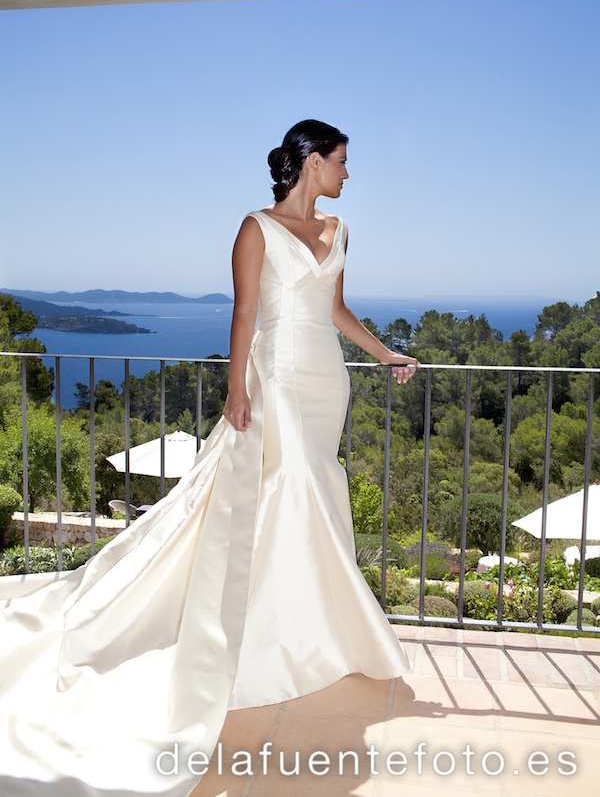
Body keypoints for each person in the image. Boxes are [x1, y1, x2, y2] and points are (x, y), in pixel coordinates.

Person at [0, 120, 419, 797]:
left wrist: (385, 354)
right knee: (284, 494)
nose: (347, 174)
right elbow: (246, 312)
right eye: (341, 162)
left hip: (325, 382)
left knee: (310, 492)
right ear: (311, 161)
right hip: (275, 379)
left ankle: (304, 630)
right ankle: (264, 639)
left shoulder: (339, 231)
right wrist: (235, 389)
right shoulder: (255, 227)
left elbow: (335, 307)